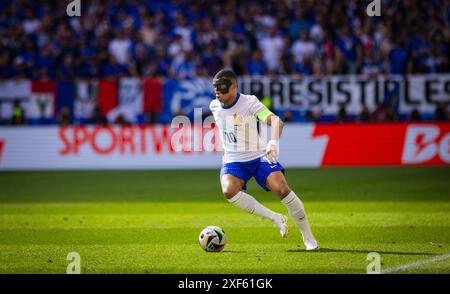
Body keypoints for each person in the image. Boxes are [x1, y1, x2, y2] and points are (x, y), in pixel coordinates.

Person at [209, 69, 319, 250]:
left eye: (222, 88)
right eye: (215, 89)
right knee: (229, 191)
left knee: (283, 189)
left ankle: (308, 237)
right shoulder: (214, 106)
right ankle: (275, 218)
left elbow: (276, 121)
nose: (218, 92)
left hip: (259, 155)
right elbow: (225, 130)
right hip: (234, 160)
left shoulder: (250, 103)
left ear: (234, 87)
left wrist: (273, 143)